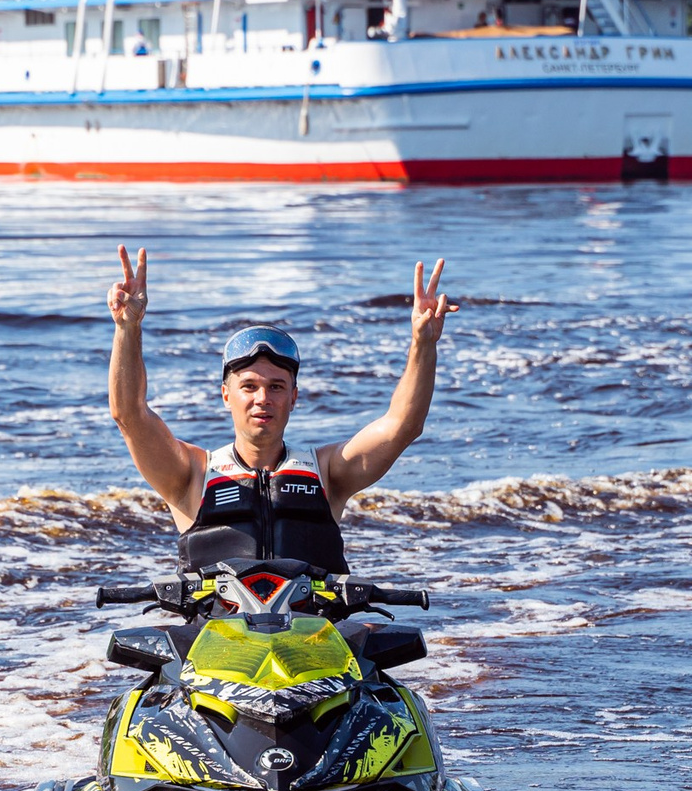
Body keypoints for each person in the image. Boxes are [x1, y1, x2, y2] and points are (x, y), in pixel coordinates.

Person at [106, 245, 454, 574]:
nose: (262, 399)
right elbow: (130, 416)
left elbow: (402, 425)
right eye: (249, 387)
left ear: (294, 398)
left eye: (276, 387)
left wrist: (423, 343)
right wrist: (127, 327)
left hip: (312, 631)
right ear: (226, 395)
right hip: (214, 632)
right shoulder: (190, 474)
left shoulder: (328, 472)